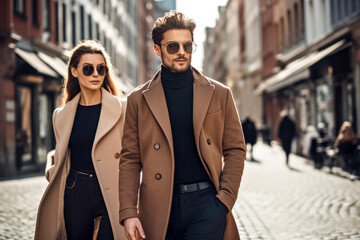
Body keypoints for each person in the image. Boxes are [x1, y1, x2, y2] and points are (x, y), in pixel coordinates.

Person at [119, 10, 246, 240]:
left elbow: (235, 149)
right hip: (158, 207)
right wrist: (129, 212)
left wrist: (224, 200)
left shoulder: (219, 94)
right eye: (173, 46)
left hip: (206, 205)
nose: (181, 52)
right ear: (157, 49)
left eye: (187, 46)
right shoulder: (138, 99)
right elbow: (130, 158)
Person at [35, 40, 126, 240]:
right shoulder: (61, 115)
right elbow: (61, 151)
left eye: (101, 69)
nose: (95, 74)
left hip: (111, 189)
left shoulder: (123, 109)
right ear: (74, 71)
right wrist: (53, 168)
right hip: (76, 188)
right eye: (88, 68)